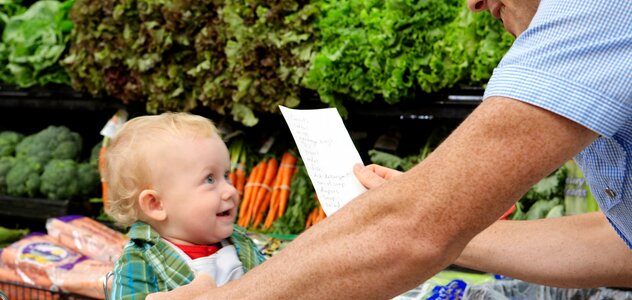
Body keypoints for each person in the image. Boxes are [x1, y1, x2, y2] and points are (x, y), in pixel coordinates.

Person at [148, 0, 632, 299]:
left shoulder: (599, 11)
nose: (474, 3)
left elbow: (408, 231)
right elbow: (622, 244)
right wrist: (453, 220)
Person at [103, 112, 265, 299]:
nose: (231, 190)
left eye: (226, 176)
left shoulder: (241, 243)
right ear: (156, 204)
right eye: (210, 179)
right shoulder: (139, 263)